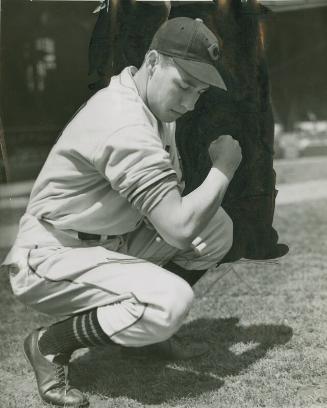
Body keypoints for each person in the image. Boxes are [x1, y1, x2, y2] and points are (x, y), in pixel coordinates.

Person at [2, 17, 241, 407]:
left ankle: (147, 334)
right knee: (169, 301)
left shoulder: (151, 104)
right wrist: (223, 169)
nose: (188, 103)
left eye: (198, 92)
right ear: (152, 61)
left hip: (108, 241)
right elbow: (178, 228)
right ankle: (49, 345)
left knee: (216, 229)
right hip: (51, 255)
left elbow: (172, 206)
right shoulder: (122, 120)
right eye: (183, 85)